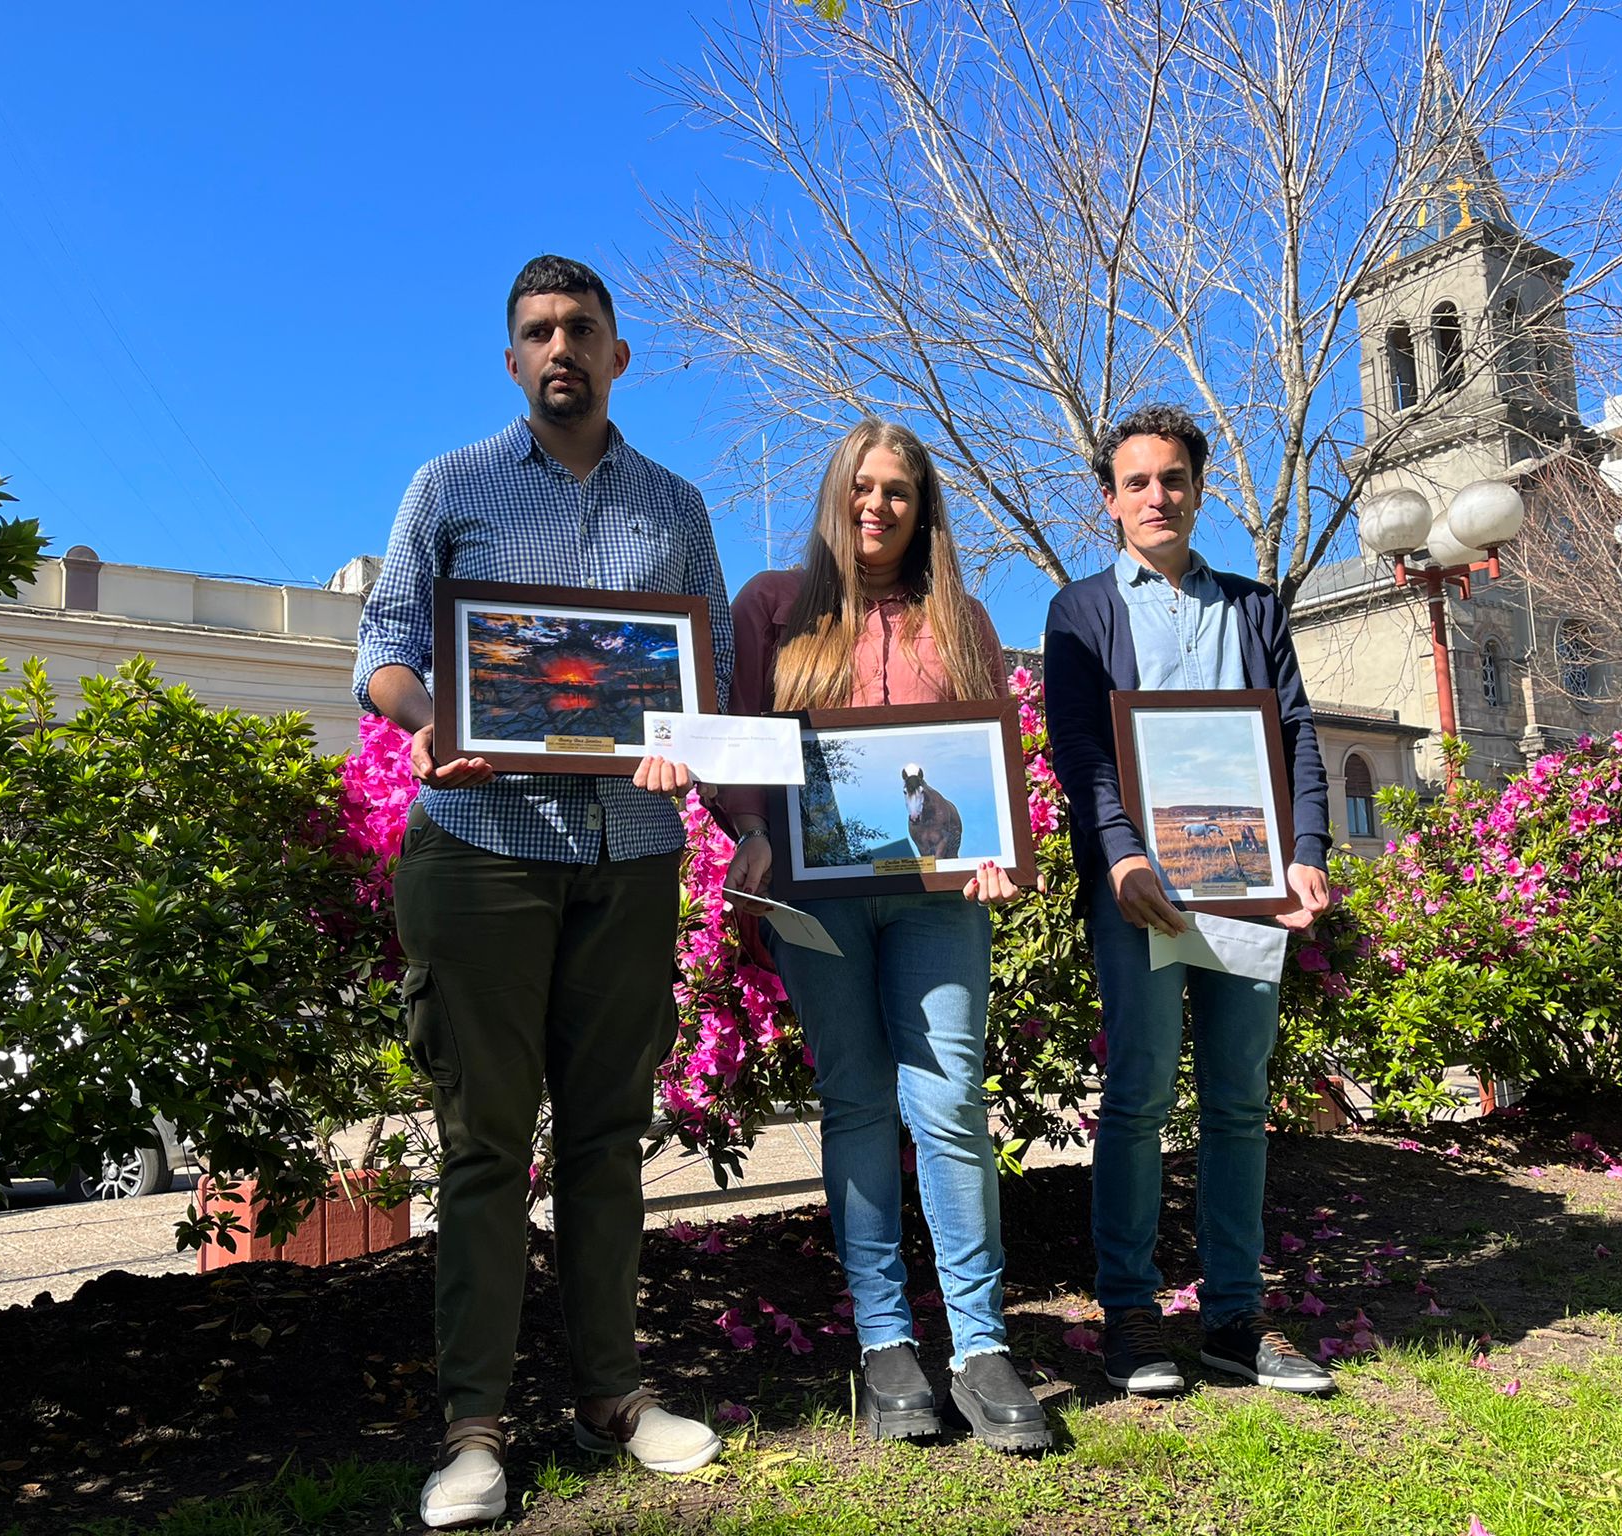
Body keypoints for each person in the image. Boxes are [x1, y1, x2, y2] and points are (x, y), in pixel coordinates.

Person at [353, 255, 733, 1528]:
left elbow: (709, 677)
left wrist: (686, 738)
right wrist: (428, 719)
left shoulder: (674, 506)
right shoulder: (448, 486)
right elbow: (384, 647)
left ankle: (612, 1397)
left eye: (579, 328)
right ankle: (472, 1431)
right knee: (482, 1147)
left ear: (617, 355)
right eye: (536, 331)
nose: (559, 346)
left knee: (606, 1138)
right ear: (511, 359)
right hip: (481, 848)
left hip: (627, 851)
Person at [717, 418, 1053, 1453]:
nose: (877, 506)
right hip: (816, 899)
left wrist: (999, 849)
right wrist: (750, 832)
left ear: (922, 508)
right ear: (836, 496)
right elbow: (740, 738)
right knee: (856, 1100)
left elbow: (989, 756)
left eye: (898, 491)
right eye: (861, 487)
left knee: (948, 1100)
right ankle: (884, 1343)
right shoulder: (773, 606)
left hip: (937, 900)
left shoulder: (962, 618)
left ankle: (980, 1345)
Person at [1043, 403, 1337, 1398]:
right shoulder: (1080, 611)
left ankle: (1234, 1320)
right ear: (1109, 500)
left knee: (1239, 1102)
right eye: (1136, 482)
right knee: (1135, 1098)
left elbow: (1295, 734)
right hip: (1139, 890)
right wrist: (1120, 857)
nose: (1156, 496)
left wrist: (1306, 850)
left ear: (1199, 490)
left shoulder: (1254, 607)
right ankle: (1130, 1316)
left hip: (1249, 885)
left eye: (1172, 478)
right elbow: (1079, 749)